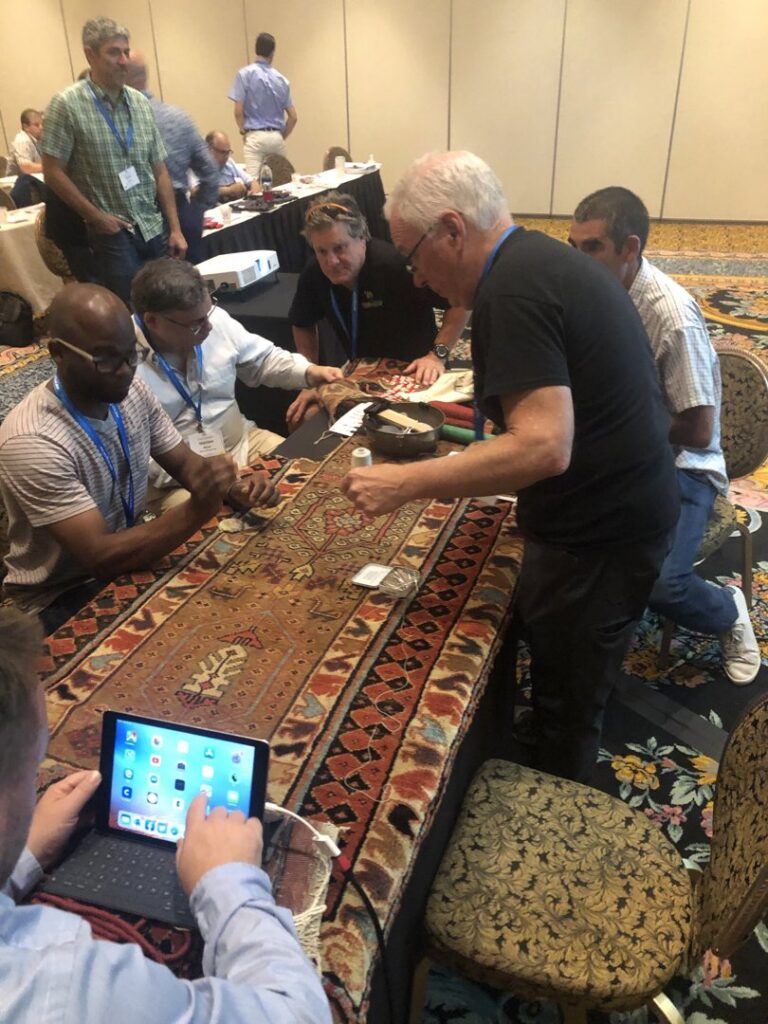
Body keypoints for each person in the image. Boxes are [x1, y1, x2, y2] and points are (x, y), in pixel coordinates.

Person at [341, 151, 681, 783]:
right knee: (562, 673)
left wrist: (405, 483)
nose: (415, 278)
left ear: (452, 229)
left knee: (568, 704)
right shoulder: (537, 262)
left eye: (413, 256)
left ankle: (552, 816)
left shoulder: (513, 291)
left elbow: (543, 446)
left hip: (603, 532)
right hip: (624, 506)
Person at [0, 606, 333, 1024]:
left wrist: (24, 855)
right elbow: (299, 1015)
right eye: (32, 771)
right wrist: (229, 882)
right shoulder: (63, 984)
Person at [0, 284, 279, 635]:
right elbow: (99, 556)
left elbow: (185, 464)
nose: (125, 370)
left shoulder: (129, 390)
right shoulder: (33, 439)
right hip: (60, 594)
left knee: (244, 590)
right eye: (106, 359)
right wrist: (198, 508)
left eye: (131, 354)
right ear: (57, 353)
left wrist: (231, 487)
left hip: (121, 554)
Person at [569, 186, 761, 685]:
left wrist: (620, 420)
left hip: (683, 469)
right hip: (626, 454)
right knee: (548, 523)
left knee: (660, 582)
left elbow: (700, 430)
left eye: (592, 248)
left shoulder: (670, 315)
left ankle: (727, 610)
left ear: (629, 249)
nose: (579, 261)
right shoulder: (597, 293)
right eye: (574, 247)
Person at [131, 259, 342, 513]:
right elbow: (138, 459)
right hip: (177, 482)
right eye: (196, 323)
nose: (209, 327)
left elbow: (263, 360)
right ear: (153, 321)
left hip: (243, 443)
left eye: (209, 313)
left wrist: (310, 372)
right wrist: (220, 482)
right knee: (217, 526)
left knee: (314, 479)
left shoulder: (212, 321)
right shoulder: (125, 363)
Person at [287, 192, 469, 426]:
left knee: (406, 429)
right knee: (302, 417)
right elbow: (302, 322)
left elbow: (460, 304)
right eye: (322, 251)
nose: (331, 261)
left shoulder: (397, 265)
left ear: (362, 237)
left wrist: (437, 355)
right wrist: (310, 375)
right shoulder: (314, 273)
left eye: (339, 248)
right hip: (358, 375)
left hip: (415, 373)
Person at [41, 17, 187, 306]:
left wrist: (175, 228)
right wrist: (95, 217)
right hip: (112, 232)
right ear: (90, 55)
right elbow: (52, 171)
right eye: (113, 52)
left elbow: (159, 170)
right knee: (128, 311)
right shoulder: (67, 105)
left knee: (168, 303)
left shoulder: (141, 103)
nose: (123, 60)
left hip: (151, 225)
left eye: (126, 52)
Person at [125, 53, 219, 264]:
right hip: (181, 214)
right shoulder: (179, 118)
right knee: (192, 288)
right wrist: (195, 211)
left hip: (137, 220)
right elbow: (211, 173)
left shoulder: (121, 123)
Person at [229, 32, 297, 177]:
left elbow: (238, 112)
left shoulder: (244, 75)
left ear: (256, 50)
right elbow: (293, 117)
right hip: (276, 137)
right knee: (282, 184)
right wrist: (281, 136)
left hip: (255, 137)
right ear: (272, 53)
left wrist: (243, 131)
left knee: (255, 186)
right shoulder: (282, 80)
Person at [206, 130, 256, 201]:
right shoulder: (198, 167)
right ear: (210, 150)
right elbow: (197, 192)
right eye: (223, 152)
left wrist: (254, 194)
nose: (226, 156)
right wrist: (229, 190)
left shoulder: (229, 163)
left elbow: (252, 181)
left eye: (228, 152)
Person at [7, 109, 43, 175]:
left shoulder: (38, 139)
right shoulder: (22, 140)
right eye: (36, 125)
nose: (41, 127)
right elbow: (26, 167)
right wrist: (49, 168)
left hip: (30, 179)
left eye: (42, 124)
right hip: (14, 182)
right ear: (25, 127)